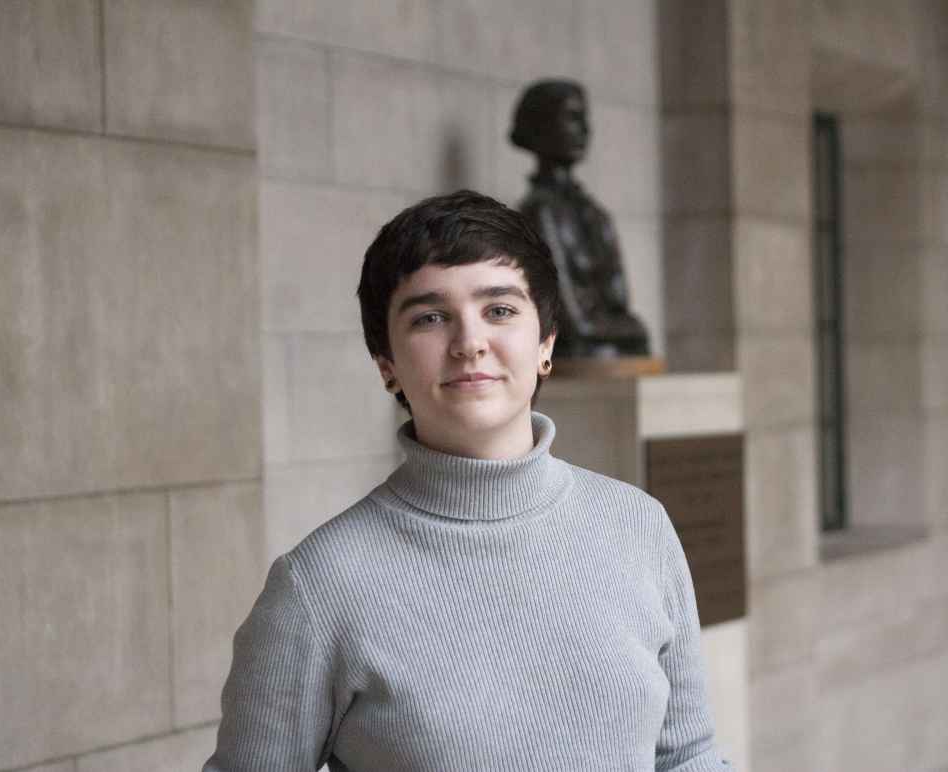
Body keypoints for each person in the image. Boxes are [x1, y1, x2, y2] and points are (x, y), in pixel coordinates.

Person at [204, 190, 732, 771]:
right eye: (430, 317)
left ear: (545, 346)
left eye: (500, 310)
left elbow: (688, 755)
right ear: (387, 365)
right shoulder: (318, 589)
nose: (469, 342)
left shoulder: (639, 526)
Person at [511, 79, 651, 359]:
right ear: (541, 127)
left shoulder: (596, 215)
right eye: (572, 118)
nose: (584, 130)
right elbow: (575, 324)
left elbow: (619, 304)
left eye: (585, 118)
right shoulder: (540, 212)